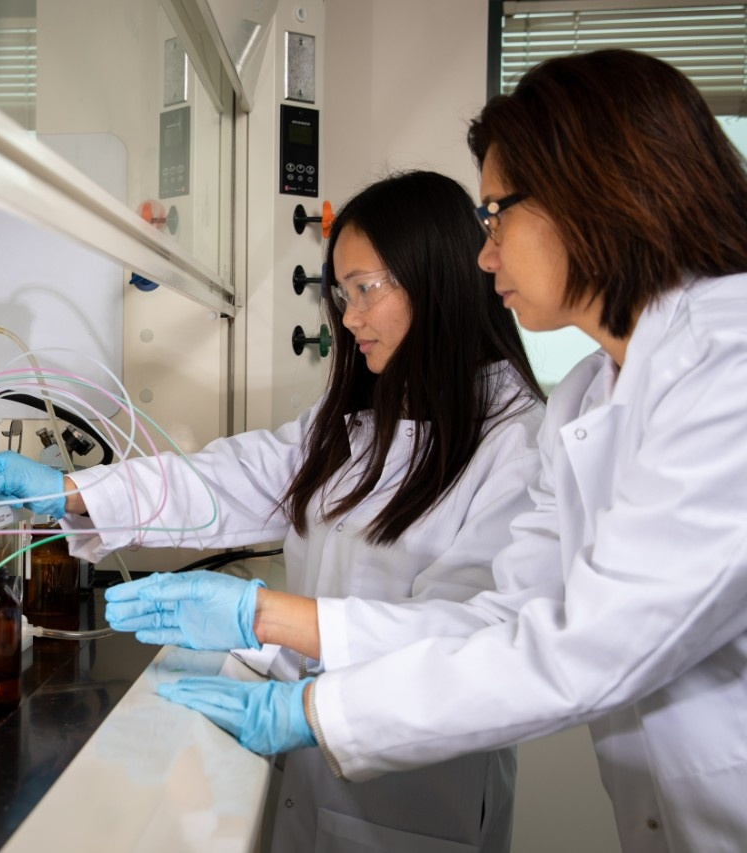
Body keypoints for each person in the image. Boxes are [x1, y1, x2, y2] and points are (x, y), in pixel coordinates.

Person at [102, 50, 747, 853]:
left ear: (592, 188)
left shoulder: (729, 373)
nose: (486, 255)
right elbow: (505, 616)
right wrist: (90, 505)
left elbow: (584, 645)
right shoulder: (591, 396)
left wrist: (309, 703)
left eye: (496, 214)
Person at [0, 169, 547, 852]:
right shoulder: (365, 418)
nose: (350, 317)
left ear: (440, 280)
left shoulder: (517, 442)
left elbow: (470, 642)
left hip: (420, 795)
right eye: (342, 293)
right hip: (313, 773)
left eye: (366, 288)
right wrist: (74, 491)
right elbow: (233, 478)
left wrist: (262, 616)